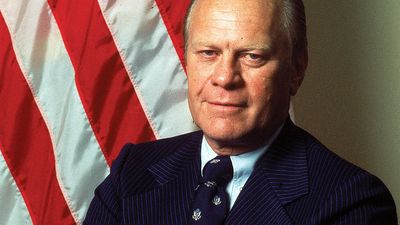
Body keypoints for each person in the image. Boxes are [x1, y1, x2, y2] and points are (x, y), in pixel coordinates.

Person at [84, 0, 398, 224]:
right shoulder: (133, 172)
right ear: (187, 61)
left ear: (296, 71)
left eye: (252, 56)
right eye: (208, 53)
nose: (224, 78)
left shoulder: (351, 201)